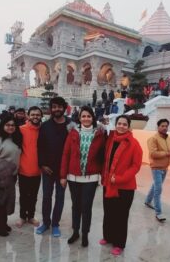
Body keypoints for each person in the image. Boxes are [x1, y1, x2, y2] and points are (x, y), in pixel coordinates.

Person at [60, 106, 106, 247]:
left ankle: (85, 233)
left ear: (93, 117)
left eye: (88, 116)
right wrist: (63, 176)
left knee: (86, 206)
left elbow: (104, 157)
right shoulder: (73, 132)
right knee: (76, 206)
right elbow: (66, 154)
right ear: (79, 118)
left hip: (91, 178)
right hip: (73, 177)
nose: (86, 119)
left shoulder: (100, 134)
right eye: (83, 116)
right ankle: (75, 232)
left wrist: (102, 176)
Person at [100, 115, 142, 256]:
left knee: (121, 216)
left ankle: (119, 243)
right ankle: (108, 236)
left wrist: (119, 178)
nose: (121, 126)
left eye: (125, 124)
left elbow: (135, 166)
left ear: (128, 127)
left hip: (124, 187)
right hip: (108, 183)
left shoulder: (134, 144)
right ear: (115, 124)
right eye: (119, 123)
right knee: (109, 212)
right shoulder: (110, 140)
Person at [36, 97, 71, 237]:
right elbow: (40, 147)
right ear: (51, 109)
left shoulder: (71, 125)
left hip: (63, 170)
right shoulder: (45, 126)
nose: (57, 109)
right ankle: (46, 223)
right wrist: (42, 165)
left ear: (64, 108)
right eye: (54, 107)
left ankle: (55, 224)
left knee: (60, 197)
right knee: (46, 197)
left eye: (59, 107)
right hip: (48, 169)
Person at [144, 119, 170, 222]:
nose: (164, 128)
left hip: (165, 167)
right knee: (158, 190)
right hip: (156, 168)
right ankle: (158, 213)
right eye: (162, 126)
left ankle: (147, 201)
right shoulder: (153, 139)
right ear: (158, 127)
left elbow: (168, 151)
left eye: (166, 126)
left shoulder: (169, 139)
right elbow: (153, 154)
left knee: (155, 185)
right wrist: (168, 153)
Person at [16, 106, 43, 228]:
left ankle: (31, 216)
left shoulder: (43, 130)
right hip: (23, 169)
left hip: (37, 171)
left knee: (34, 196)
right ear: (28, 115)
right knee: (23, 195)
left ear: (41, 116)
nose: (35, 117)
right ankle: (22, 216)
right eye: (33, 114)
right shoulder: (21, 129)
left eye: (37, 115)